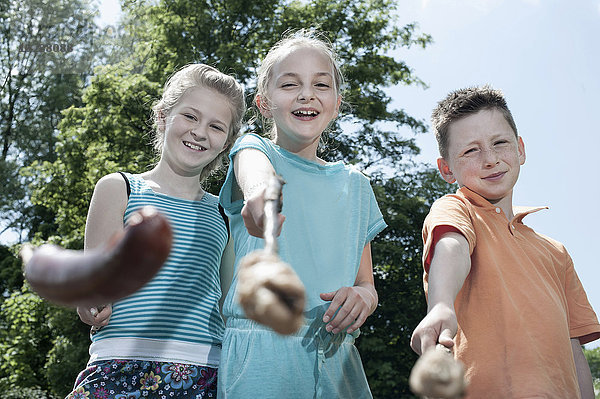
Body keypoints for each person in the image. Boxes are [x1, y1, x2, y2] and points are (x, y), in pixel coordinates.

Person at [217, 30, 387, 398]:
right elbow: (255, 176)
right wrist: (262, 196)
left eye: (320, 85)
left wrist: (362, 298)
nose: (306, 94)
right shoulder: (253, 148)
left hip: (338, 357)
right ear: (264, 103)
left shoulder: (355, 185)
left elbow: (366, 284)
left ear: (337, 103)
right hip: (262, 355)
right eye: (290, 84)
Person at [66, 63, 245, 399]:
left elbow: (229, 306)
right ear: (163, 116)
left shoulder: (224, 214)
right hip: (117, 365)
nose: (200, 131)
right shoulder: (118, 189)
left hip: (204, 374)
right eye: (190, 116)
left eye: (216, 126)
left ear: (226, 143)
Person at [410, 85, 600, 398]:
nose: (490, 159)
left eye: (500, 143)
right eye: (471, 150)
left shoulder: (557, 253)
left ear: (520, 148)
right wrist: (441, 304)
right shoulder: (457, 209)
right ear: (446, 169)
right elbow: (452, 247)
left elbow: (573, 344)